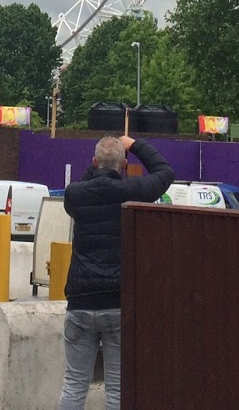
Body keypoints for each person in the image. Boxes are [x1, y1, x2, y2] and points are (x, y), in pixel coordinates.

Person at [58, 134, 174, 410]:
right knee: (117, 387)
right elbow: (165, 172)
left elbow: (85, 184)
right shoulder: (132, 192)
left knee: (74, 382)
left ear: (94, 162)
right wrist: (135, 145)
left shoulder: (75, 195)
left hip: (81, 301)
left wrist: (96, 165)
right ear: (124, 165)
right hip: (118, 301)